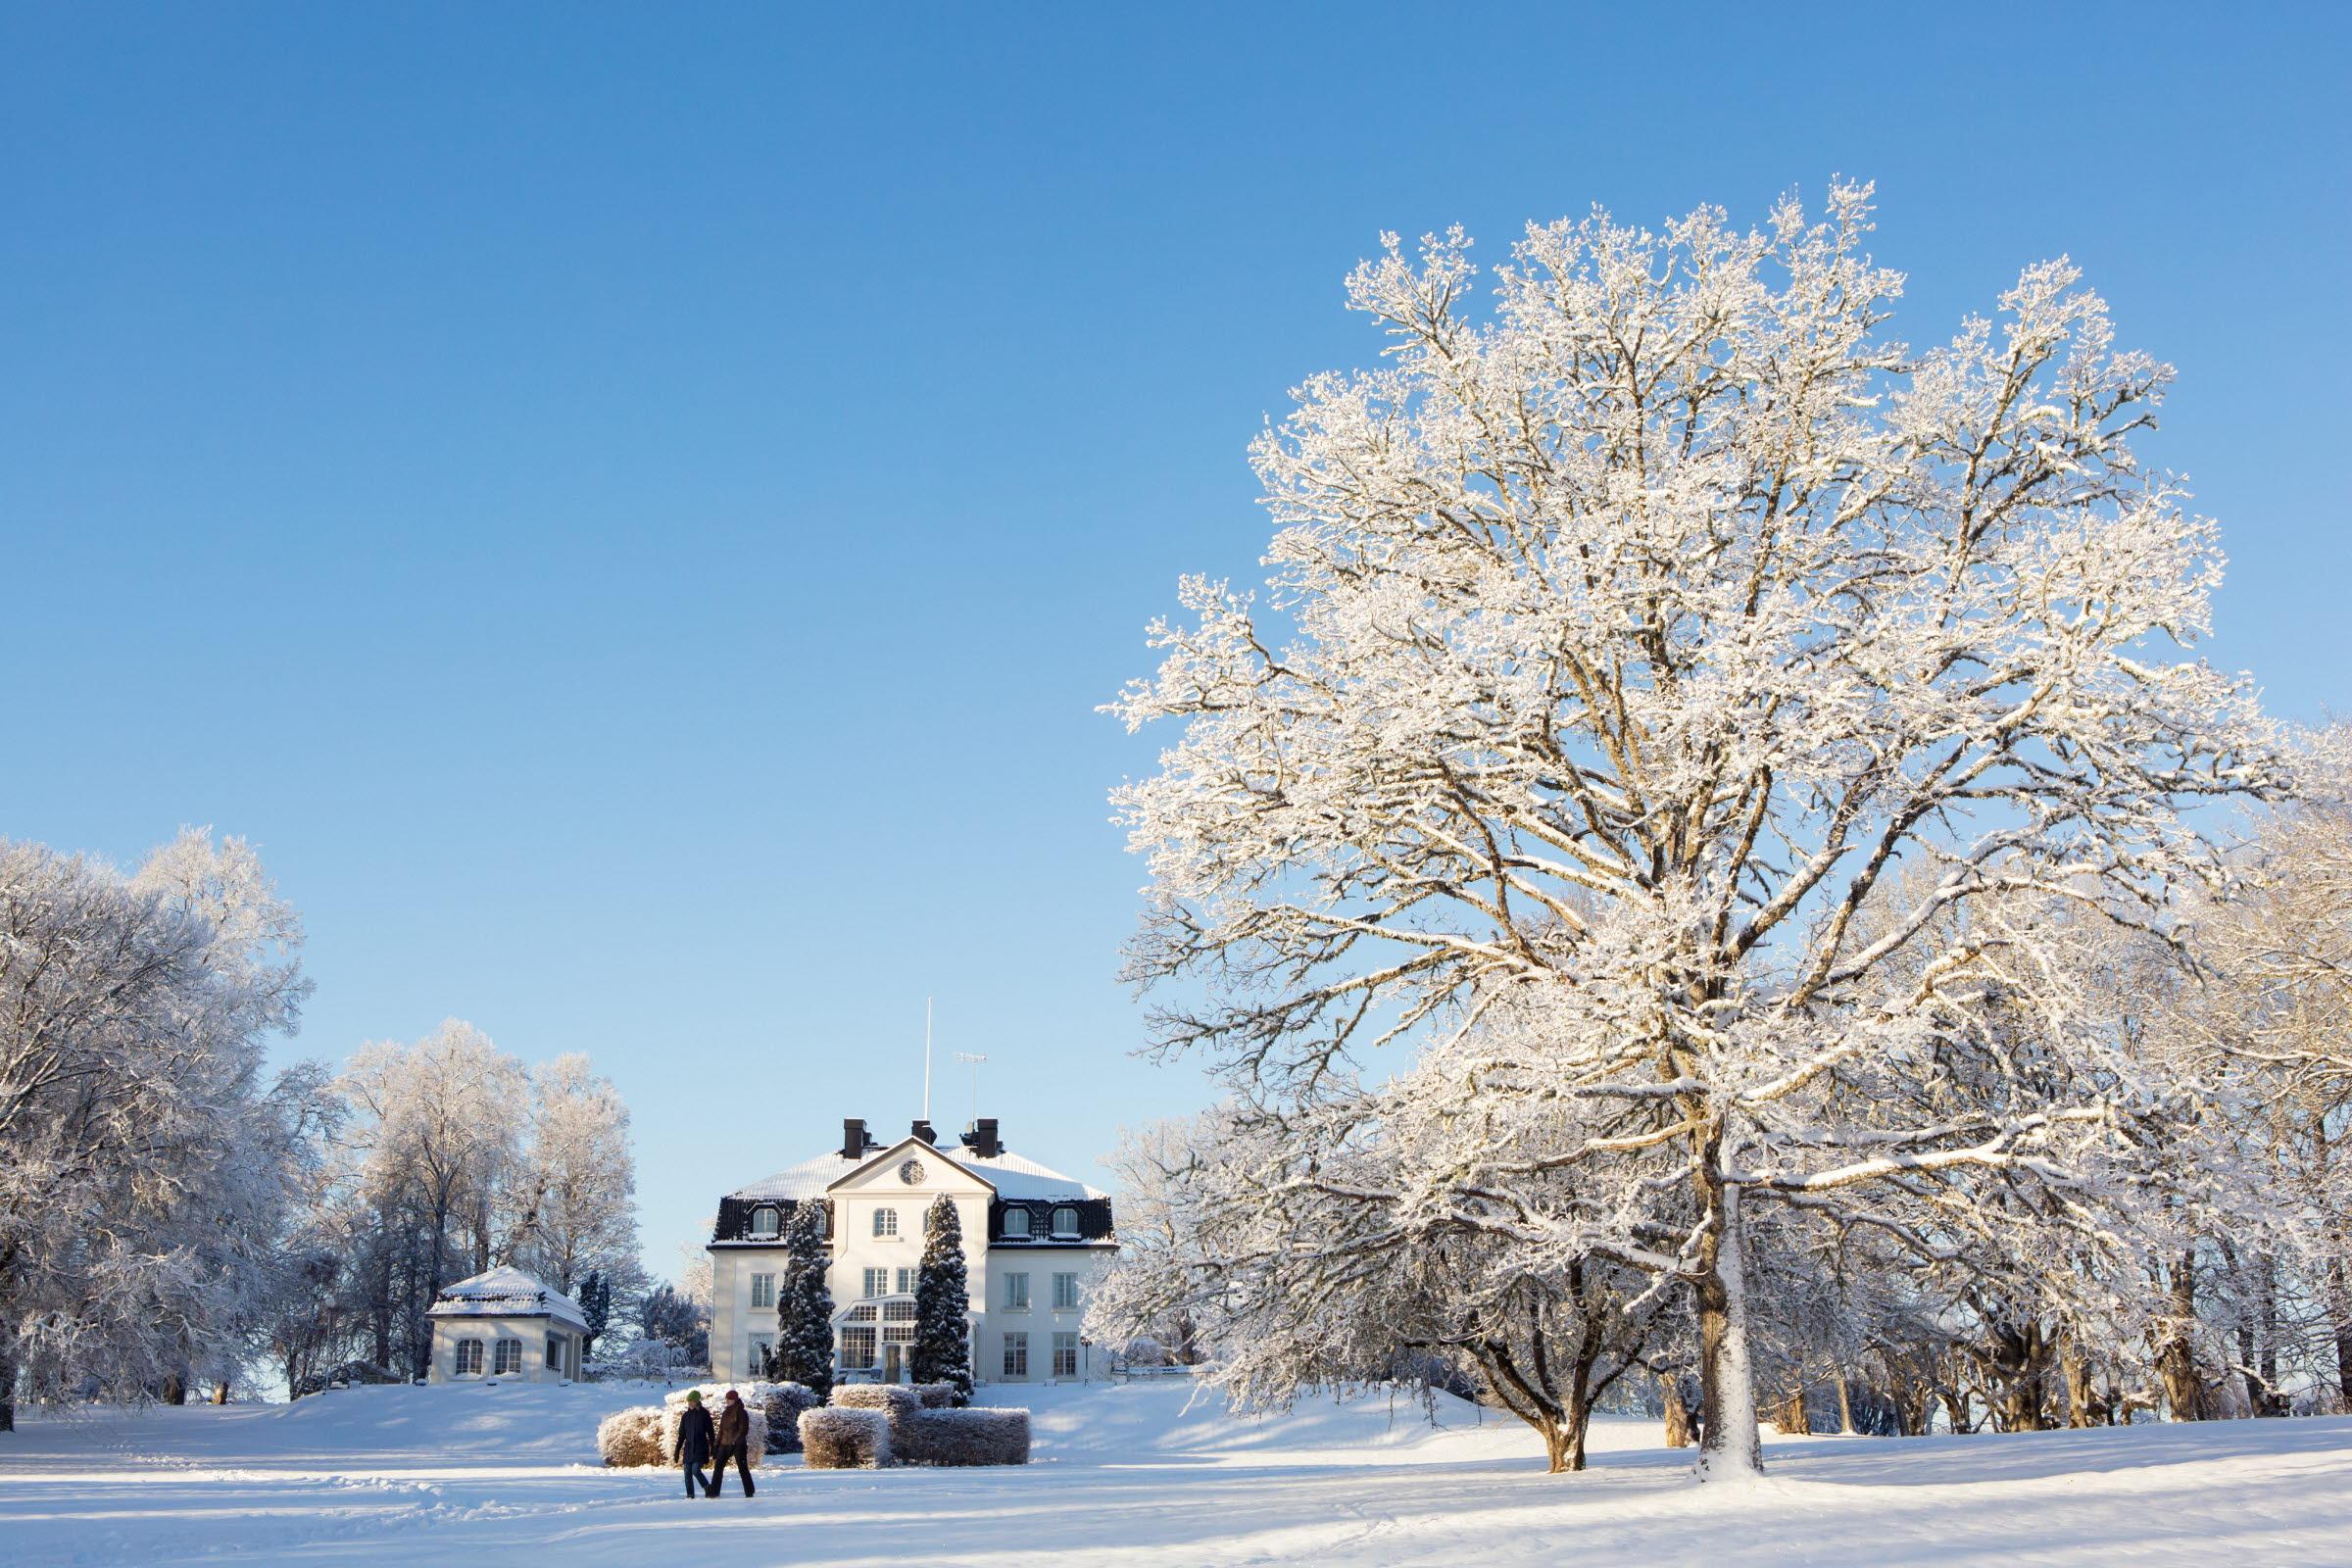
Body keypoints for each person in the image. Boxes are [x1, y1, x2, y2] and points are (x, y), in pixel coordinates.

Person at [709, 1388, 756, 1497]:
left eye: (730, 1399)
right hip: (724, 1444)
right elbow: (721, 1430)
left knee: (742, 1468)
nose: (728, 1401)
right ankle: (714, 1492)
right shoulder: (725, 1413)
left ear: (735, 1400)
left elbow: (743, 1429)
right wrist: (716, 1445)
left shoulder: (741, 1412)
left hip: (738, 1445)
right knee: (718, 1468)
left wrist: (734, 1442)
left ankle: (749, 1491)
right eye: (727, 1399)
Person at [676, 1389, 714, 1498]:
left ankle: (708, 1488)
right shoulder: (685, 1416)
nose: (690, 1403)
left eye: (692, 1401)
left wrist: (713, 1448)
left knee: (695, 1470)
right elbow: (682, 1435)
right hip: (688, 1448)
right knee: (687, 1472)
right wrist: (677, 1451)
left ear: (697, 1401)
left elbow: (711, 1433)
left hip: (700, 1447)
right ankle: (690, 1495)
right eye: (689, 1401)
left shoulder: (704, 1414)